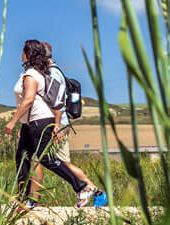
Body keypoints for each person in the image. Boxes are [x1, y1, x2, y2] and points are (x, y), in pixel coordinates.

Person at [6, 39, 90, 207]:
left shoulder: (31, 75)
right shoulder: (36, 73)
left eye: (23, 51)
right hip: (31, 123)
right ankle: (22, 198)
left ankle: (82, 187)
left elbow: (29, 99)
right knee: (22, 158)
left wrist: (13, 121)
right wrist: (24, 124)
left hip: (39, 121)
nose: (20, 54)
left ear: (28, 54)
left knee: (47, 160)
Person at [32, 42, 106, 207]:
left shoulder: (53, 73)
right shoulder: (53, 72)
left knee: (60, 163)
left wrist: (56, 127)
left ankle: (91, 189)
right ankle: (94, 190)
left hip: (57, 126)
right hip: (58, 125)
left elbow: (56, 103)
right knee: (54, 162)